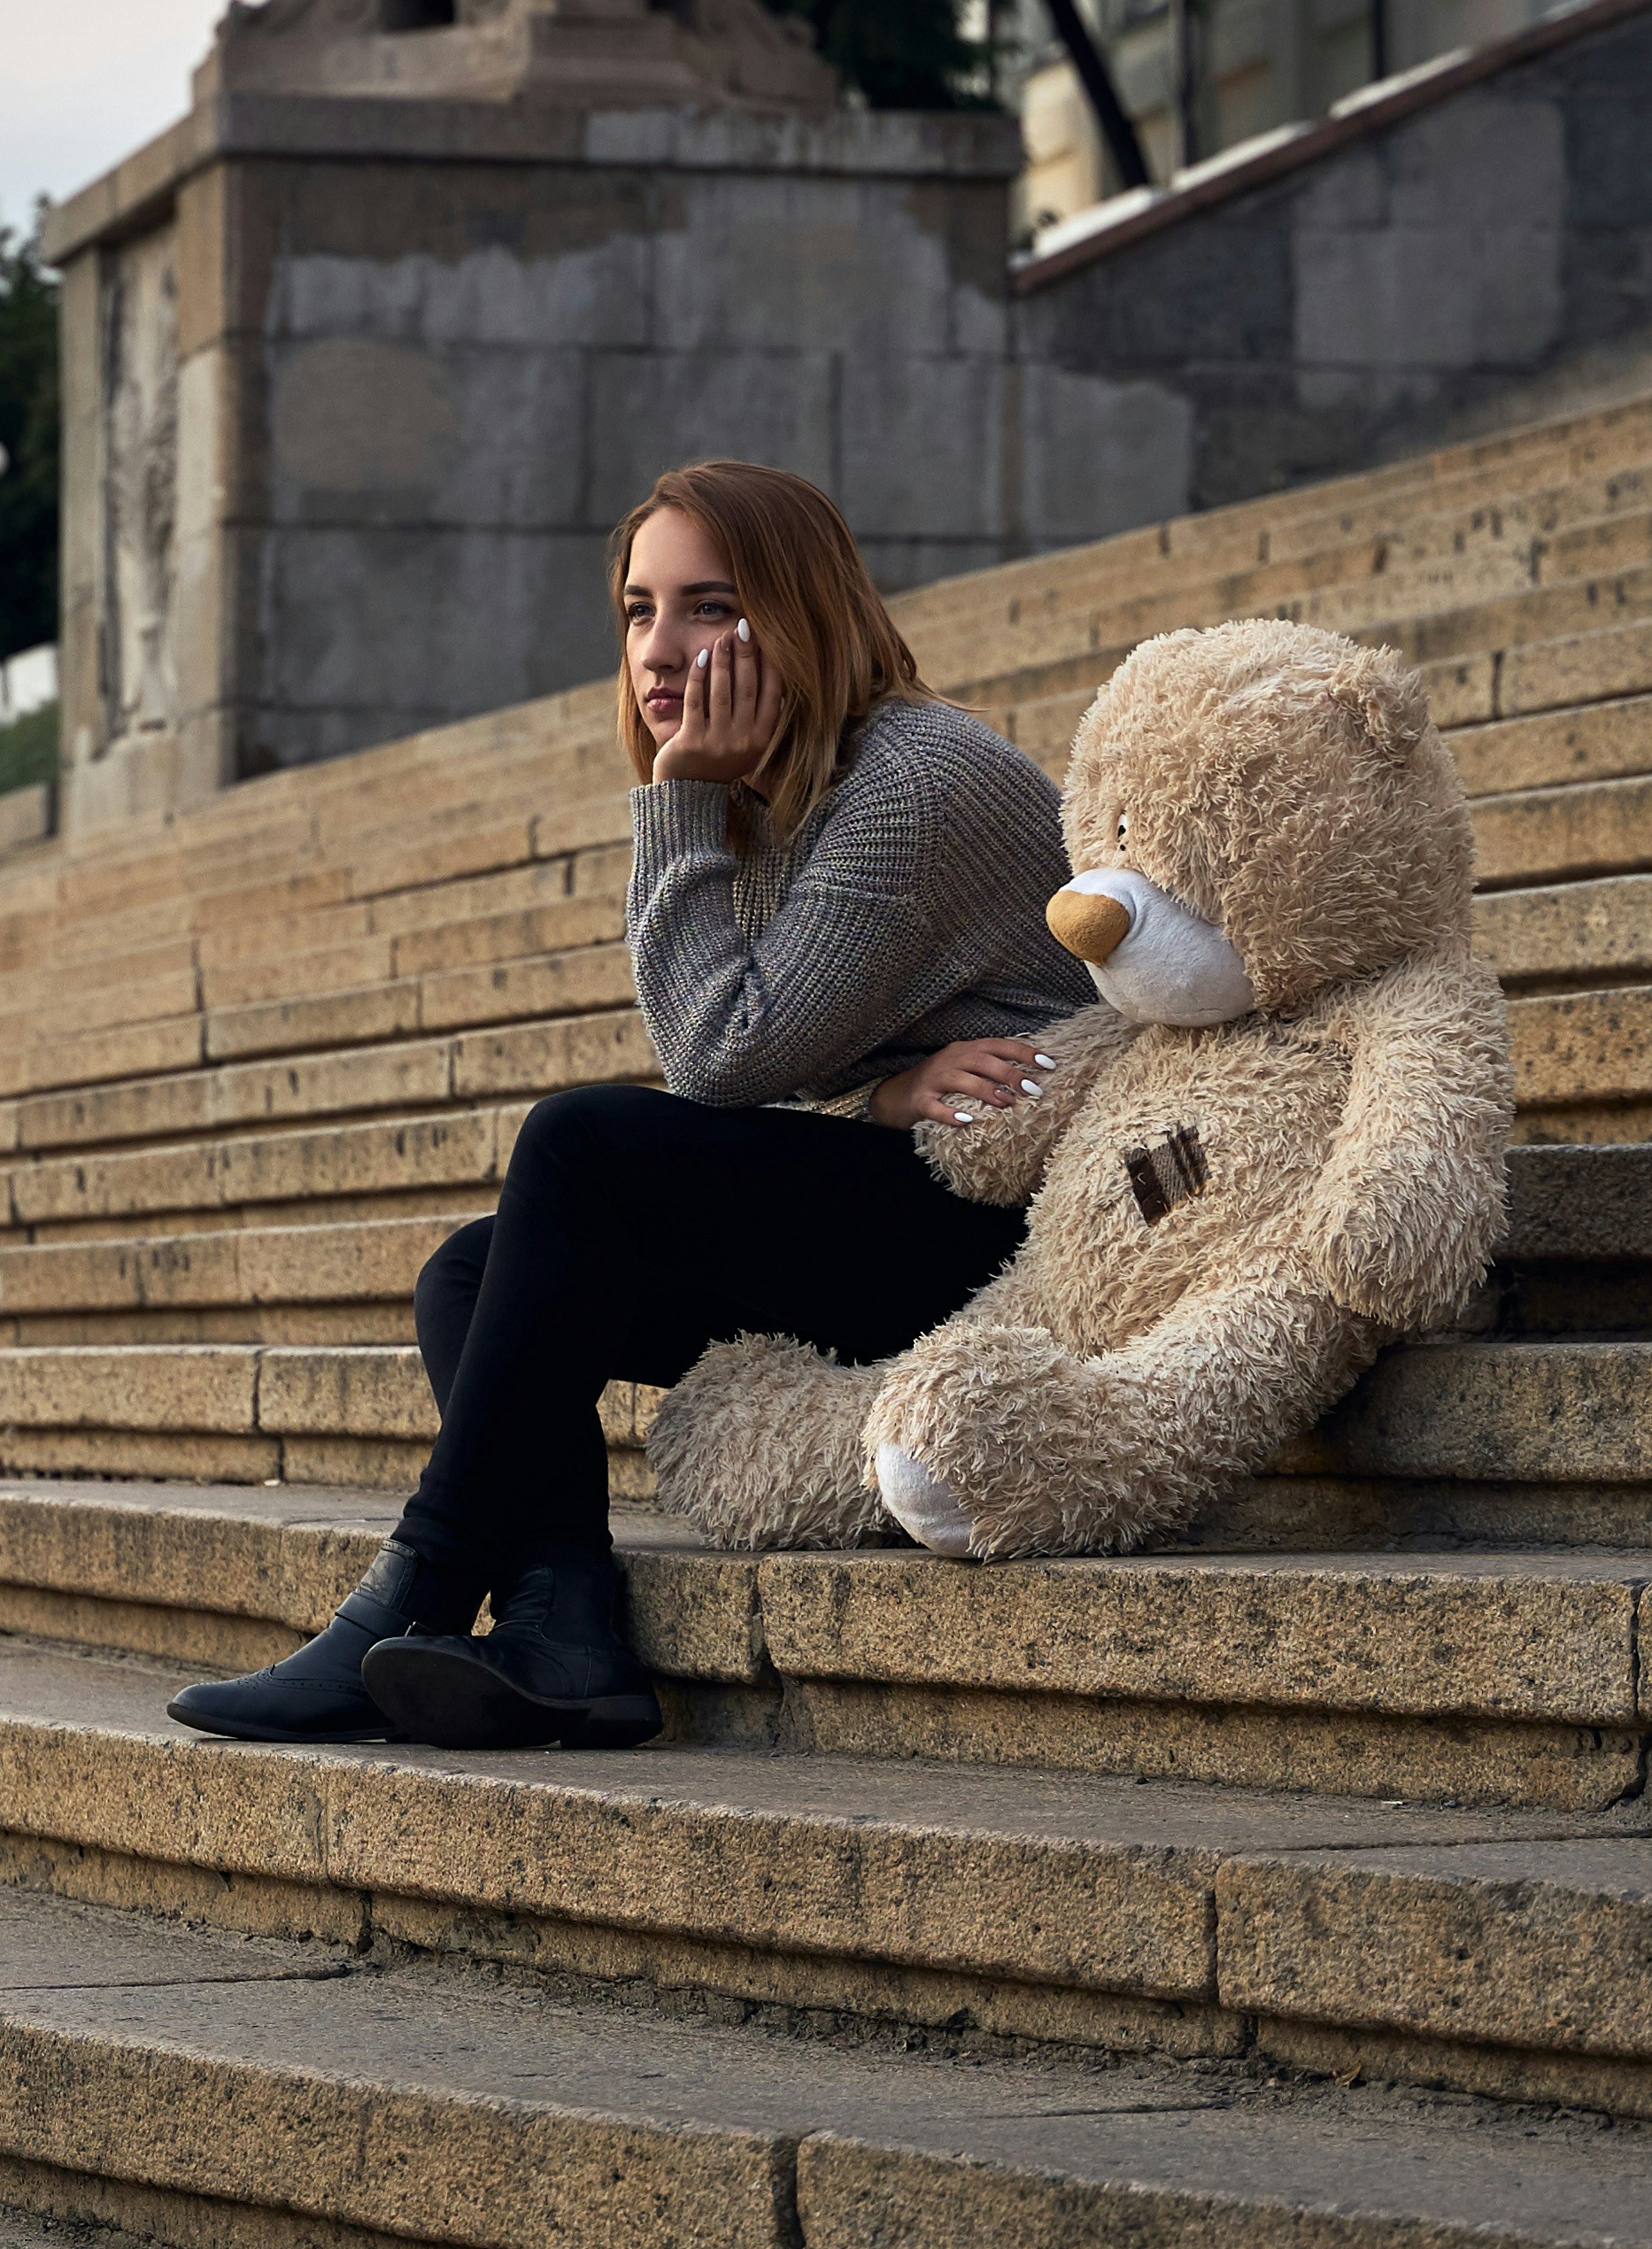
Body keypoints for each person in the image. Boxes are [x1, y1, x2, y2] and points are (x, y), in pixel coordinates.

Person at [172, 459, 1096, 1751]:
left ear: (802, 610)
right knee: (468, 1274)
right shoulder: (782, 788)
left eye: (709, 606)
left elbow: (718, 1054)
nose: (661, 650)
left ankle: (421, 1583)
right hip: (934, 1189)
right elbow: (800, 1032)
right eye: (636, 609)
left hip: (1033, 1236)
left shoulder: (910, 780)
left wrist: (673, 806)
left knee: (582, 1142)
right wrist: (882, 1089)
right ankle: (564, 1620)